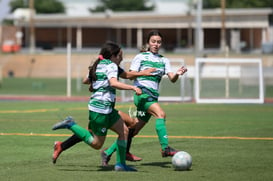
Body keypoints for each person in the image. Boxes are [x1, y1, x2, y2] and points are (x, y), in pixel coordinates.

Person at [52, 41, 144, 172]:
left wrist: (97, 83)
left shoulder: (98, 65)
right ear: (113, 56)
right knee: (96, 144)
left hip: (108, 109)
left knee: (124, 131)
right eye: (120, 56)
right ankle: (70, 124)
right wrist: (132, 87)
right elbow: (113, 83)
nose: (122, 59)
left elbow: (86, 81)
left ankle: (120, 164)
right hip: (100, 110)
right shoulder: (111, 66)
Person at [101, 30, 188, 166]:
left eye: (158, 42)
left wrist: (177, 73)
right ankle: (165, 148)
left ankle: (107, 152)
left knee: (133, 130)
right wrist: (144, 73)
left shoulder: (164, 60)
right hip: (142, 95)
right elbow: (130, 74)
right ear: (148, 42)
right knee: (161, 114)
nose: (156, 44)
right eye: (153, 41)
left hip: (153, 97)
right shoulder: (141, 57)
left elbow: (172, 79)